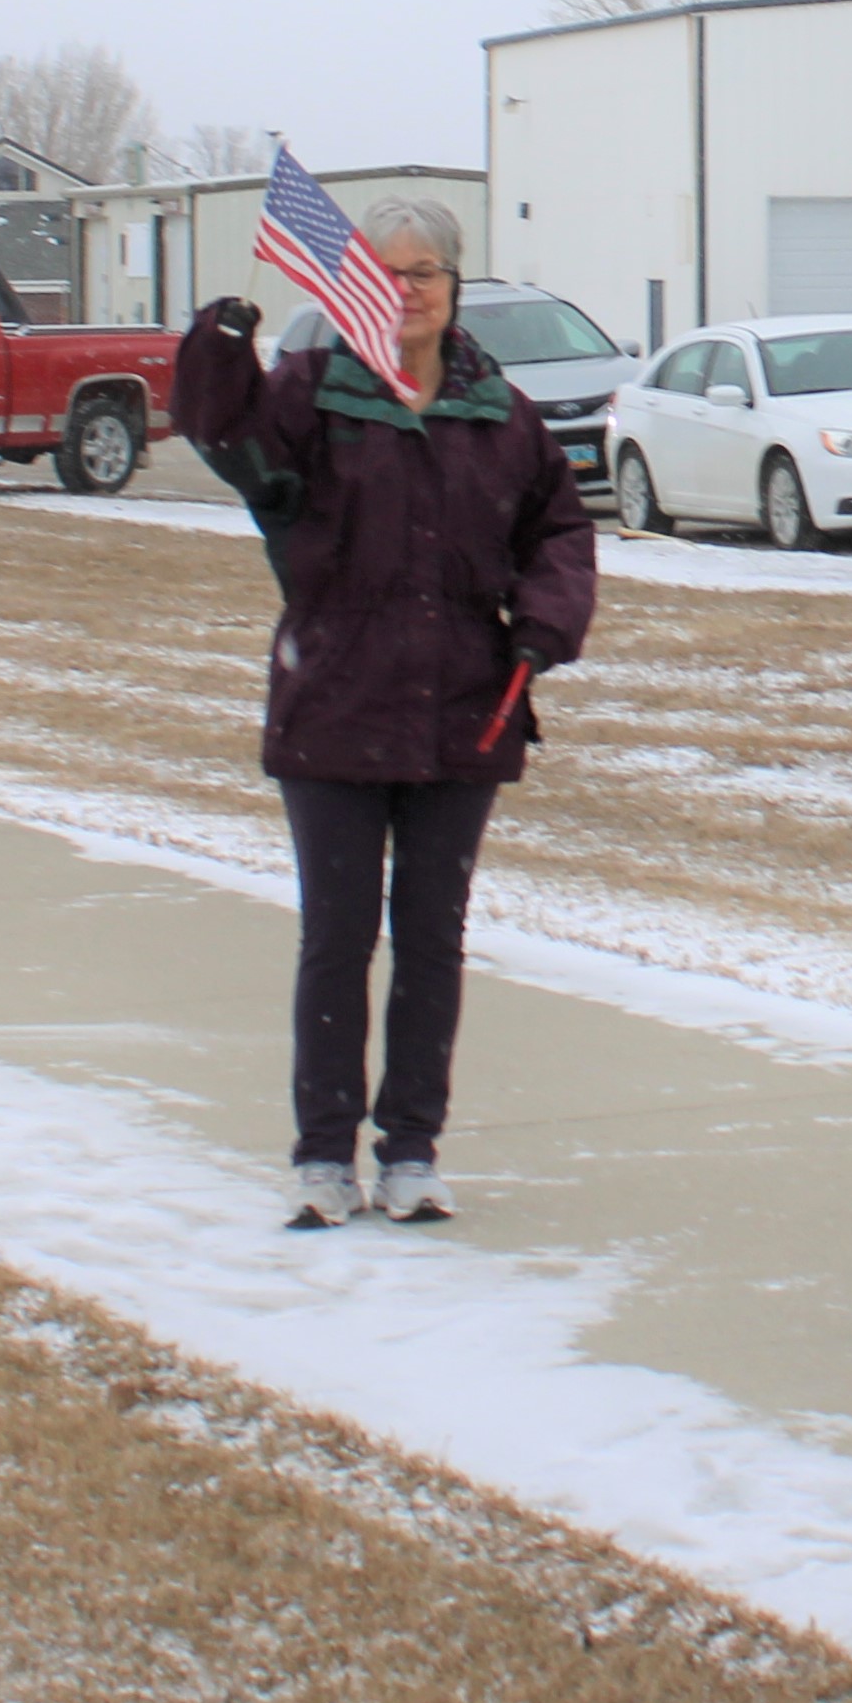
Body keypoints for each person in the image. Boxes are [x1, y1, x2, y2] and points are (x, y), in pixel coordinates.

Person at [169, 198, 595, 1229]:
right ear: (353, 283)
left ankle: (411, 1148)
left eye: (425, 273)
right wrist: (218, 345)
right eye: (387, 271)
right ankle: (322, 1153)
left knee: (433, 939)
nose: (406, 290)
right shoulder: (311, 394)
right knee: (338, 935)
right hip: (336, 703)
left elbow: (561, 529)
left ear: (454, 288)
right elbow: (221, 432)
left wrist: (541, 624)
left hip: (463, 710)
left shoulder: (501, 410)